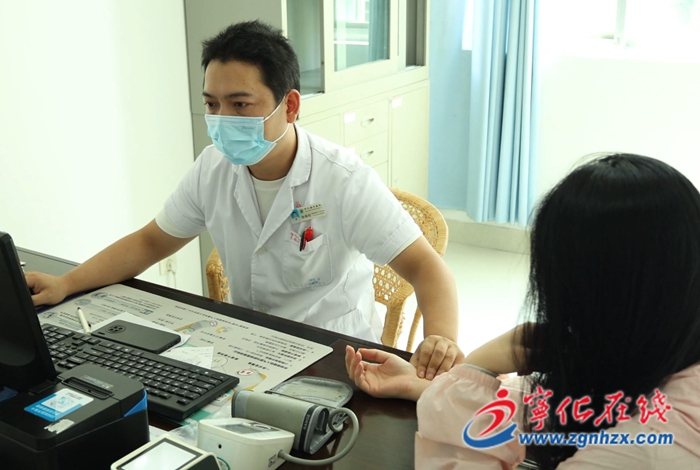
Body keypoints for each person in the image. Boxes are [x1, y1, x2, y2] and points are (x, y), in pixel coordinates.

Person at [24, 20, 463, 379]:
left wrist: (441, 341)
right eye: (211, 105)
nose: (222, 120)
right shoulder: (212, 167)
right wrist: (67, 283)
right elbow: (150, 242)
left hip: (334, 357)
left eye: (240, 105)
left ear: (290, 106)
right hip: (248, 346)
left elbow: (427, 269)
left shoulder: (343, 180)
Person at [346, 154, 700, 468]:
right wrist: (432, 387)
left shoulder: (641, 451)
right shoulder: (666, 360)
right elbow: (570, 402)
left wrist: (471, 375)